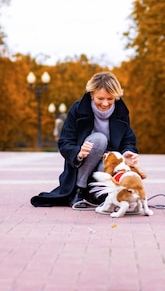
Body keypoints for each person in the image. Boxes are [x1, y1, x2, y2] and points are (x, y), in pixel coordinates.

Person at [30, 71, 139, 207]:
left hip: (106, 163)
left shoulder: (121, 112)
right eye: (100, 99)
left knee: (110, 164)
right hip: (82, 164)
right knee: (100, 139)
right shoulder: (77, 109)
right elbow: (64, 142)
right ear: (92, 94)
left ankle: (96, 194)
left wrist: (127, 153)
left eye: (110, 99)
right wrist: (78, 153)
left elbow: (128, 140)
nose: (105, 103)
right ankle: (79, 191)